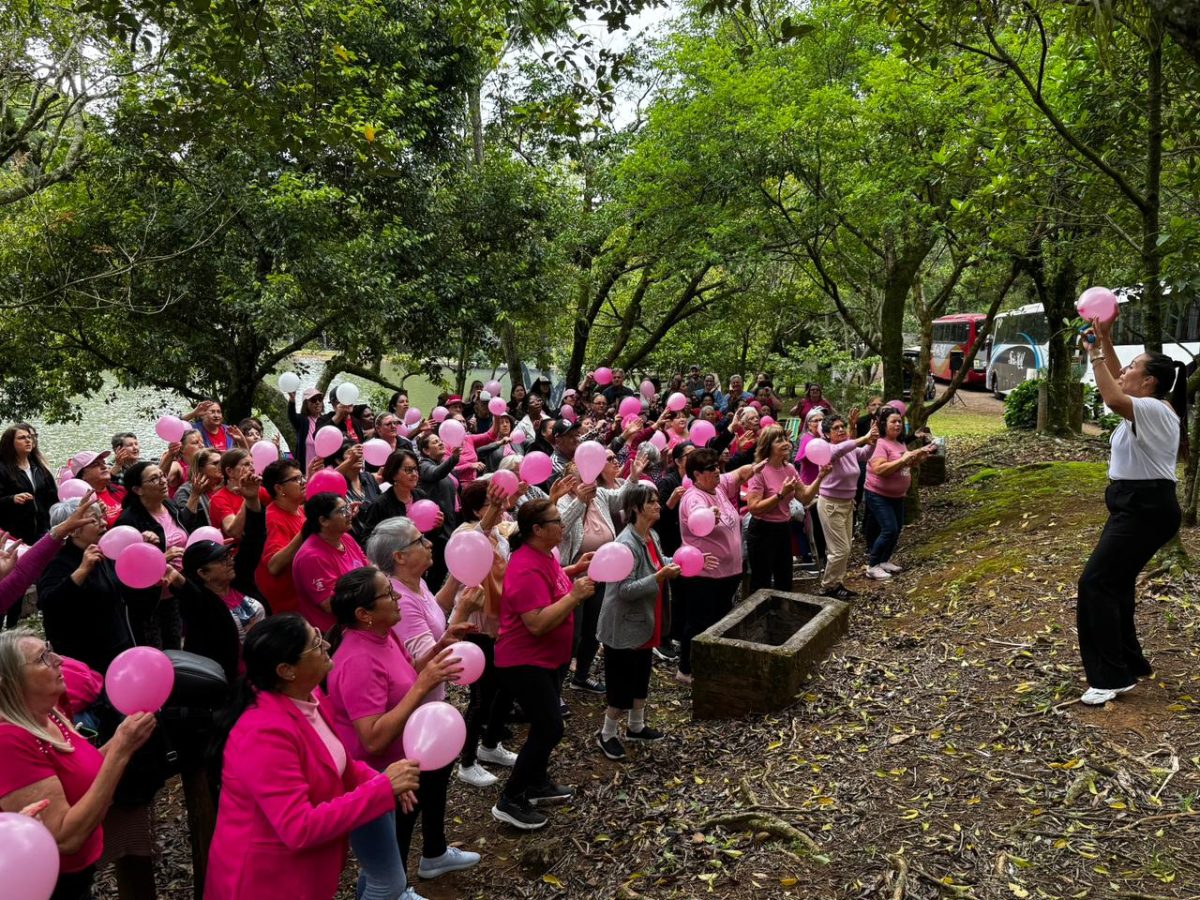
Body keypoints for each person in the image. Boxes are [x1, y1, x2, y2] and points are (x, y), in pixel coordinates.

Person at [205, 614, 420, 900]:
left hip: (304, 874)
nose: (327, 647)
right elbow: (298, 827)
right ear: (286, 670)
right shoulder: (263, 734)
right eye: (316, 644)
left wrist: (380, 778)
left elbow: (338, 763)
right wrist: (381, 788)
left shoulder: (308, 697)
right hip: (265, 883)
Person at [323, 568, 469, 899]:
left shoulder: (385, 635)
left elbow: (404, 676)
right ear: (364, 614)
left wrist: (438, 648)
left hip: (393, 773)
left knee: (381, 867)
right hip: (368, 779)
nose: (398, 597)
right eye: (388, 594)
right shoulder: (358, 660)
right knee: (383, 876)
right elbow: (372, 738)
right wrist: (423, 685)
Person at [363, 522, 483, 881]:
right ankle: (393, 880)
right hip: (412, 716)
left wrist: (457, 586)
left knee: (435, 783)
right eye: (419, 541)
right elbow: (421, 664)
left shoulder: (416, 585)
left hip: (431, 707)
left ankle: (435, 852)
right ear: (399, 557)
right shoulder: (396, 600)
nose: (429, 543)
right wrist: (459, 619)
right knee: (409, 800)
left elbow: (436, 609)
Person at [1076, 319, 1187, 705]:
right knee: (1116, 584)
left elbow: (1113, 397)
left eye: (1132, 368)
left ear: (1150, 381)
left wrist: (1093, 355)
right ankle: (1129, 662)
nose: (1123, 371)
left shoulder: (1154, 410)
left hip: (1146, 508)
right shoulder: (1148, 407)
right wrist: (1105, 339)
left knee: (1095, 584)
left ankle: (1110, 677)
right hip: (1133, 505)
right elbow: (1120, 384)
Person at [0, 630, 157, 900]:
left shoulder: (48, 712)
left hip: (81, 877)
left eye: (50, 649)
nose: (58, 660)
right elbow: (64, 838)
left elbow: (84, 769)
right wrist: (120, 749)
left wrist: (126, 737)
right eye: (42, 658)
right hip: (53, 886)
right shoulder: (9, 741)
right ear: (9, 684)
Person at [491, 499, 595, 831]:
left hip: (546, 659)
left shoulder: (545, 557)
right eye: (556, 521)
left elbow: (550, 586)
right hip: (523, 660)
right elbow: (535, 622)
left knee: (543, 725)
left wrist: (573, 572)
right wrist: (575, 596)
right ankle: (510, 798)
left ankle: (536, 784)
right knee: (551, 726)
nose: (562, 526)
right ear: (537, 529)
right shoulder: (523, 566)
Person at [594, 485, 683, 761]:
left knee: (641, 674)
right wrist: (659, 576)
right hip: (624, 624)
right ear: (636, 509)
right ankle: (607, 733)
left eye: (657, 501)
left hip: (646, 618)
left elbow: (658, 563)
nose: (659, 506)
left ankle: (636, 726)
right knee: (621, 683)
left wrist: (682, 561)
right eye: (652, 502)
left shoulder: (650, 535)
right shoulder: (626, 544)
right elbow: (624, 589)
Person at [450, 480, 520, 788]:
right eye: (496, 506)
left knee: (504, 685)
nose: (504, 512)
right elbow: (477, 538)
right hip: (475, 624)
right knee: (480, 696)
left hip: (498, 621)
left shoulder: (496, 532)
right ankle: (467, 761)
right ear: (481, 509)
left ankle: (490, 745)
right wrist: (493, 510)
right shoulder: (465, 534)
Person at [676, 448, 763, 685]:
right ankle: (686, 668)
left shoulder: (718, 486)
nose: (717, 471)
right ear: (697, 474)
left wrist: (758, 464)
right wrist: (708, 514)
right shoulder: (694, 497)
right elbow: (697, 517)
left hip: (728, 572)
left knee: (721, 619)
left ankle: (713, 664)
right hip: (705, 574)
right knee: (699, 622)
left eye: (717, 466)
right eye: (710, 468)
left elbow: (738, 474)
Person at [745, 426, 825, 592]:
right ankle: (760, 616)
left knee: (784, 578)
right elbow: (754, 508)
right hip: (762, 531)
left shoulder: (789, 469)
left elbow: (805, 497)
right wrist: (780, 495)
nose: (785, 443)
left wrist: (820, 477)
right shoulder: (759, 470)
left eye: (785, 438)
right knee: (762, 582)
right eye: (779, 440)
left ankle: (782, 615)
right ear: (768, 446)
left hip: (783, 528)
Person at [175, 540, 266, 682]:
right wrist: (177, 580)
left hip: (263, 671)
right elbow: (189, 592)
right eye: (221, 560)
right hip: (232, 683)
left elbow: (253, 544)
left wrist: (256, 516)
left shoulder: (240, 583)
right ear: (203, 573)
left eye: (228, 555)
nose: (230, 562)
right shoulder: (201, 607)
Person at [0, 494, 101, 618]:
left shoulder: (101, 554)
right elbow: (50, 604)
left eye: (101, 518)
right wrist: (81, 572)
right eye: (94, 520)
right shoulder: (58, 564)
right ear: (74, 531)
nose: (104, 523)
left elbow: (21, 573)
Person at [864, 407, 935, 580]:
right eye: (893, 421)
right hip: (878, 494)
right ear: (883, 424)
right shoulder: (880, 444)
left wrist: (919, 457)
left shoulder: (899, 442)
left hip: (897, 495)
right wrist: (904, 459)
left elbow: (903, 465)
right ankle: (872, 565)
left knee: (897, 529)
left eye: (899, 421)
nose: (897, 425)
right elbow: (880, 469)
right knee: (889, 528)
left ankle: (884, 561)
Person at [816, 414, 877, 600]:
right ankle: (827, 587)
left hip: (847, 503)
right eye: (836, 428)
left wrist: (873, 439)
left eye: (843, 426)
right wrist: (862, 438)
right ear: (827, 434)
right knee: (839, 550)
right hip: (831, 505)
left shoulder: (848, 448)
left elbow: (864, 454)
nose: (841, 429)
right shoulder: (826, 450)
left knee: (845, 547)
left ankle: (837, 583)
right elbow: (839, 450)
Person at [292, 493, 369, 632]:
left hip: (359, 619)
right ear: (323, 521)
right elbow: (331, 605)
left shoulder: (346, 538)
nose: (349, 514)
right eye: (342, 511)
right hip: (335, 633)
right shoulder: (312, 557)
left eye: (348, 508)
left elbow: (369, 569)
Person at [256, 460, 307, 615]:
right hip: (287, 606)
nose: (303, 482)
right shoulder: (272, 519)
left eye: (302, 476)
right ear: (279, 488)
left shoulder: (298, 509)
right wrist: (306, 531)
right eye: (296, 479)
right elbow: (274, 566)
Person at [355, 450, 437, 544]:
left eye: (416, 469)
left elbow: (429, 534)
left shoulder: (421, 496)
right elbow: (367, 540)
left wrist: (437, 525)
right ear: (394, 474)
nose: (414, 474)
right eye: (408, 470)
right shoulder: (380, 504)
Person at [416, 433, 460, 589]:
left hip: (450, 521)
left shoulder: (442, 464)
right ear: (426, 451)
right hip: (436, 529)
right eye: (435, 442)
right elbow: (436, 474)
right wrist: (453, 459)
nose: (441, 443)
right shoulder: (423, 465)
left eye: (441, 440)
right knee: (437, 570)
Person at [69, 450, 124, 525]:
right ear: (82, 475)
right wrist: (99, 517)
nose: (104, 467)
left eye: (104, 463)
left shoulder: (119, 490)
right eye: (95, 464)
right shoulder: (84, 504)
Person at [174, 448, 222, 529]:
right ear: (200, 468)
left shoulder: (226, 486)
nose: (221, 466)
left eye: (222, 462)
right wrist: (195, 494)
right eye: (215, 463)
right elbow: (184, 523)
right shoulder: (185, 491)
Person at [288, 388, 326, 469]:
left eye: (320, 399)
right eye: (313, 400)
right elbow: (291, 416)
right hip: (306, 468)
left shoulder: (327, 420)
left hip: (324, 467)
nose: (317, 402)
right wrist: (292, 399)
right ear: (306, 404)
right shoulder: (302, 420)